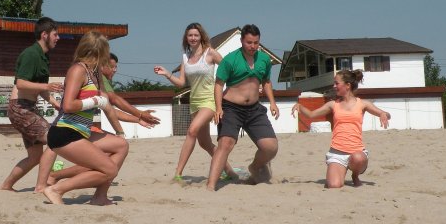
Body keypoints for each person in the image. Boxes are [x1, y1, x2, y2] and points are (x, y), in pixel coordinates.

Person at [46, 52, 158, 185]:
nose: (115, 70)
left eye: (116, 67)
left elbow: (109, 109)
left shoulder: (96, 77)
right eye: (112, 66)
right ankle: (56, 184)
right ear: (102, 65)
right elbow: (113, 100)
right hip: (68, 129)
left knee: (113, 153)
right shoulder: (92, 75)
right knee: (107, 162)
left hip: (77, 129)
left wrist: (137, 119)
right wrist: (139, 114)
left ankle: (59, 178)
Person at [44, 31, 129, 206]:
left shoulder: (95, 73)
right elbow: (68, 105)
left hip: (82, 131)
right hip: (65, 133)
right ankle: (56, 189)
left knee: (121, 145)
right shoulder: (78, 70)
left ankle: (100, 196)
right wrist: (93, 101)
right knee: (110, 170)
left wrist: (120, 132)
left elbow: (107, 105)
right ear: (100, 51)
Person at [154, 22, 237, 182]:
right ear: (186, 38)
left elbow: (230, 70)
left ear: (201, 37)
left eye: (196, 35)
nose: (193, 38)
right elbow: (181, 83)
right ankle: (229, 171)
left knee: (191, 131)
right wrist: (167, 74)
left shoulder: (210, 53)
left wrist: (233, 89)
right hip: (194, 103)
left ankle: (178, 174)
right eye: (190, 35)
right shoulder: (185, 57)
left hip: (209, 101)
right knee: (204, 143)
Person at [206, 24, 280, 191]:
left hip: (254, 109)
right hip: (231, 108)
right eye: (249, 42)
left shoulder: (264, 59)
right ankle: (211, 185)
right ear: (242, 41)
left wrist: (272, 102)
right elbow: (219, 85)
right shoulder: (230, 60)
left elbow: (266, 82)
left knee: (271, 147)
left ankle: (255, 167)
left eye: (256, 43)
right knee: (226, 143)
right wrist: (219, 108)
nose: (253, 46)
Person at [291, 69, 390, 188]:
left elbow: (385, 114)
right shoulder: (333, 104)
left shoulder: (363, 104)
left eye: (336, 83)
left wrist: (383, 114)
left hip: (356, 152)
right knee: (334, 185)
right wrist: (300, 106)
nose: (334, 86)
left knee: (358, 158)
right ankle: (339, 171)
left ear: (347, 85)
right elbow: (311, 115)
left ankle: (355, 175)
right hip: (337, 153)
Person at [0, 17, 63, 193]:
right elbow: (21, 84)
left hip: (28, 108)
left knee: (35, 157)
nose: (58, 38)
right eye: (55, 34)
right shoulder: (30, 54)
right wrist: (47, 86)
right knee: (55, 140)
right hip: (20, 108)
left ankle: (6, 186)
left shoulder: (44, 57)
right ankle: (41, 186)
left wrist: (56, 104)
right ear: (44, 35)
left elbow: (40, 89)